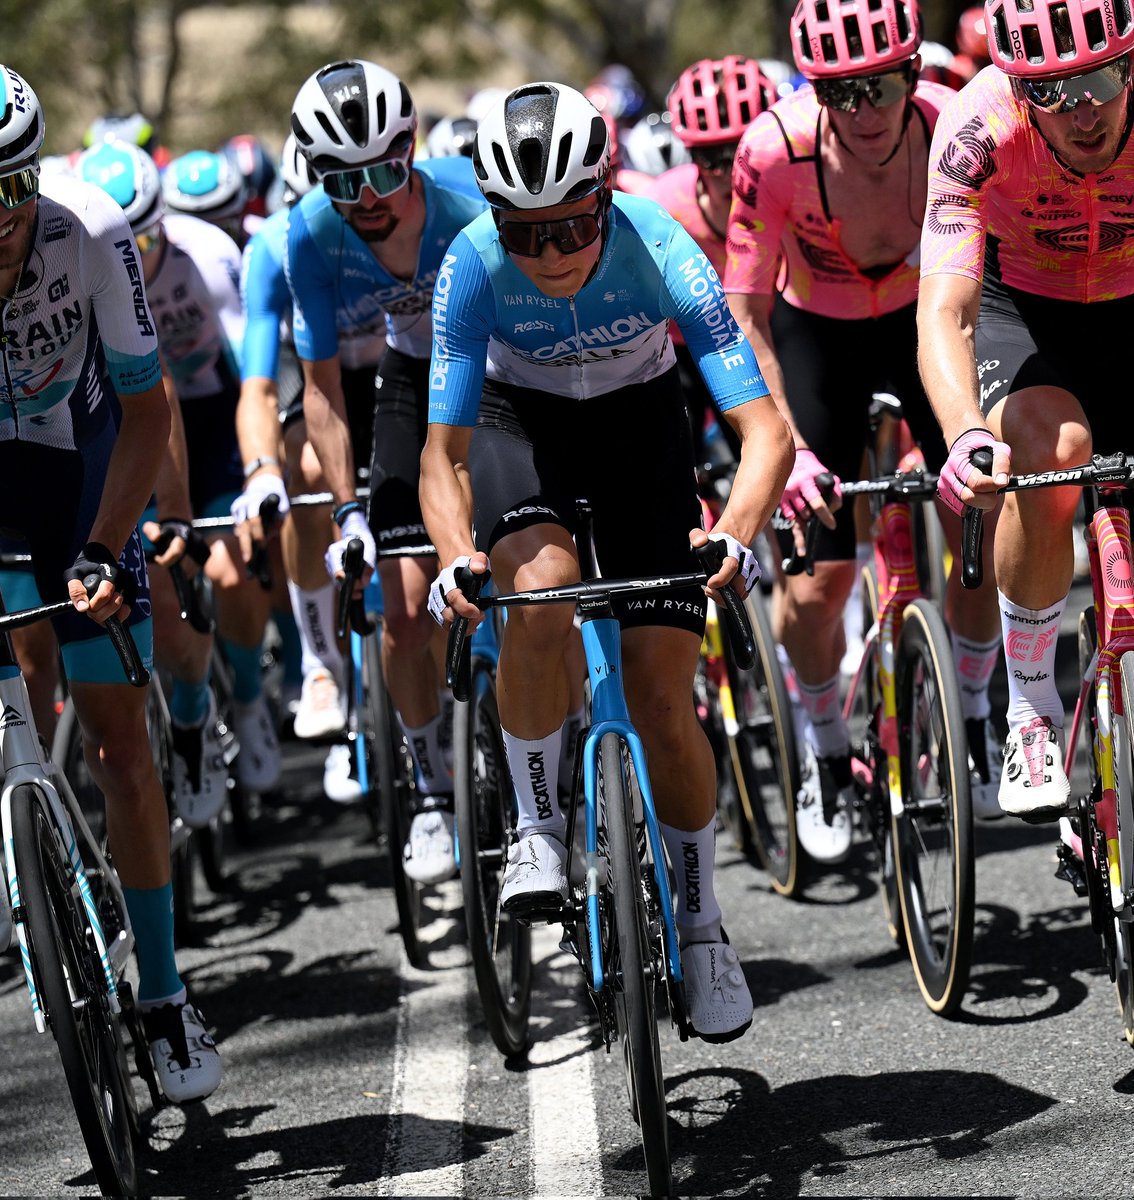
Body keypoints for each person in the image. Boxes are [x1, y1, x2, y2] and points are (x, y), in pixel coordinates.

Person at [420, 81, 793, 1042]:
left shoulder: (664, 248)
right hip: (523, 424)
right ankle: (537, 830)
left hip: (638, 429)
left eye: (569, 226)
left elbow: (764, 434)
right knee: (534, 597)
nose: (549, 253)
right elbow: (444, 456)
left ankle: (703, 926)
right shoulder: (468, 265)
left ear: (604, 191)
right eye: (524, 232)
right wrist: (460, 558)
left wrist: (737, 533)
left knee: (666, 698)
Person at [725, 0, 1005, 860]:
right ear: (814, 89)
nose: (866, 111)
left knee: (984, 513)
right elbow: (745, 312)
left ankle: (977, 704)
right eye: (840, 92)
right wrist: (790, 448)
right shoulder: (771, 153)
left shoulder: (951, 119)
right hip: (821, 339)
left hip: (925, 317)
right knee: (815, 586)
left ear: (912, 72)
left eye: (882, 84)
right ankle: (822, 742)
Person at [0, 66, 220, 1101]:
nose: (3, 219)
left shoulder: (86, 231)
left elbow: (146, 412)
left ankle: (167, 996)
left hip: (79, 467)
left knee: (116, 743)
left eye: (14, 188)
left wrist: (106, 542)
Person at [917, 0, 1134, 820]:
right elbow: (947, 309)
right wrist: (966, 431)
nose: (1082, 112)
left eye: (1100, 80)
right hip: (1025, 307)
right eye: (1052, 93)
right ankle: (1032, 706)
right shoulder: (978, 124)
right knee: (1052, 451)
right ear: (1019, 90)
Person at [286, 59, 487, 877]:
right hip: (408, 375)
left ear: (411, 147)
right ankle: (433, 789)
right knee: (404, 613)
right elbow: (324, 392)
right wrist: (347, 509)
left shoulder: (469, 200)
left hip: (501, 367)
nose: (367, 196)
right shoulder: (308, 235)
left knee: (522, 562)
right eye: (343, 180)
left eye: (384, 170)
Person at [77, 137, 282, 807]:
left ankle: (250, 701)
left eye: (142, 242)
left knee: (229, 572)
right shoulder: (74, 263)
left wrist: (261, 466)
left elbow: (254, 370)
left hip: (212, 419)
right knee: (163, 608)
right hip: (128, 426)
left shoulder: (208, 259)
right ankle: (192, 715)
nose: (128, 258)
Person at [651, 55, 775, 460]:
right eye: (710, 158)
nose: (729, 171)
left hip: (768, 333)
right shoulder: (665, 204)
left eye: (741, 150)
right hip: (683, 346)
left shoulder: (793, 192)